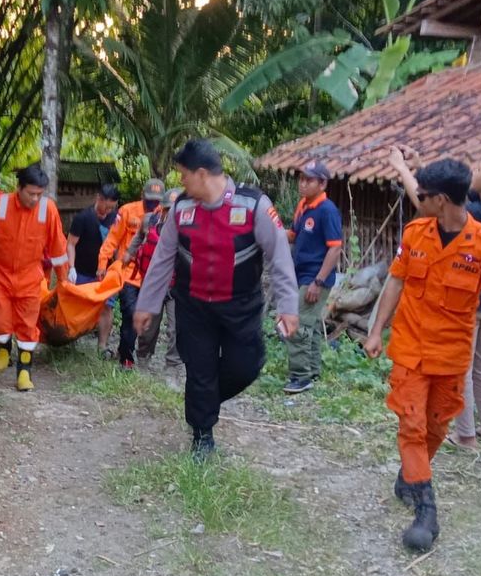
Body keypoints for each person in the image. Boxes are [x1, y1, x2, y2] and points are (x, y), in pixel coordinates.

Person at [365, 158, 481, 552]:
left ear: (442, 200)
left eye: (424, 195)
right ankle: (426, 509)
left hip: (451, 355)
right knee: (412, 426)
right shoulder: (415, 233)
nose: (418, 198)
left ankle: (410, 477)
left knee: (435, 429)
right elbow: (395, 283)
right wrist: (375, 330)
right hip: (411, 351)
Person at [135, 140, 299, 461]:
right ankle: (202, 436)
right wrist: (147, 305)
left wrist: (288, 307)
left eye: (183, 175)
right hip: (193, 307)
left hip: (241, 307)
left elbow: (280, 256)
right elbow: (161, 260)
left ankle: (203, 401)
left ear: (201, 173)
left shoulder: (253, 206)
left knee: (246, 367)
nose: (180, 182)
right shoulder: (181, 210)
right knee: (199, 370)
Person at [390, 147, 481, 448]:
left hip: (471, 300)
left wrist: (403, 170)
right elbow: (448, 196)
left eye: (477, 170)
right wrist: (426, 168)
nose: (471, 173)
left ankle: (465, 435)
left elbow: (431, 207)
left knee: (457, 369)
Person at [0, 165, 69, 392]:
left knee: (28, 325)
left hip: (31, 278)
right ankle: (3, 346)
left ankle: (24, 372)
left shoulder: (47, 210)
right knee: (0, 321)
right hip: (0, 275)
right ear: (18, 188)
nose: (34, 198)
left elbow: (58, 248)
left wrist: (63, 279)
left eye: (39, 194)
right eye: (30, 193)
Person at [284, 159, 343, 394]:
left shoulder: (327, 210)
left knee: (295, 323)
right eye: (302, 179)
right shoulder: (303, 206)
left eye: (309, 180)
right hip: (301, 274)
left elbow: (335, 248)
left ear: (322, 183)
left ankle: (300, 376)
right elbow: (293, 234)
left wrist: (318, 282)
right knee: (313, 325)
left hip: (316, 277)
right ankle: (312, 370)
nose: (303, 184)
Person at [99, 178, 166, 368]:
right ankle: (127, 358)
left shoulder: (164, 214)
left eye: (157, 200)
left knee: (143, 318)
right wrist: (103, 263)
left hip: (151, 277)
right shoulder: (127, 211)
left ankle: (126, 349)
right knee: (130, 313)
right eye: (149, 199)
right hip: (127, 274)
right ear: (142, 195)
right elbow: (112, 239)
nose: (153, 204)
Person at [127, 187, 184, 377]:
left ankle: (172, 368)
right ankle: (143, 359)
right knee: (148, 328)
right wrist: (127, 256)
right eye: (169, 209)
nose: (172, 214)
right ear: (163, 208)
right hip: (154, 285)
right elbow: (138, 239)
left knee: (176, 329)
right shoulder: (149, 221)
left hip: (177, 287)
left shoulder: (189, 229)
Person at [67, 184, 121, 355]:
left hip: (106, 274)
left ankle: (102, 346)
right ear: (99, 199)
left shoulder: (116, 219)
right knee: (77, 308)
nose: (108, 210)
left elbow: (119, 244)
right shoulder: (82, 218)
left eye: (112, 207)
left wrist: (118, 267)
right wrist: (71, 268)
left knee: (107, 308)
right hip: (83, 271)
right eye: (107, 205)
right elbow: (71, 244)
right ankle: (70, 341)